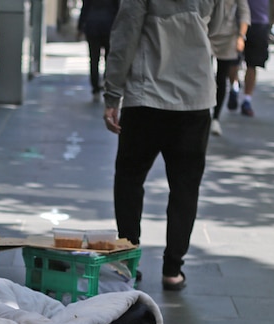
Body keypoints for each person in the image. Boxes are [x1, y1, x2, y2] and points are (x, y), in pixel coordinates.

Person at [102, 0, 225, 291]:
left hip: (146, 97)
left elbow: (126, 34)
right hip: (195, 98)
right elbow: (217, 29)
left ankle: (128, 261)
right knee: (185, 186)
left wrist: (112, 94)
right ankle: (173, 269)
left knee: (130, 178)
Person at [236, 0, 274, 116]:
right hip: (236, 23)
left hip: (259, 24)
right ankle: (234, 88)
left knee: (252, 64)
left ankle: (247, 99)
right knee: (232, 62)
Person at [210, 0, 251, 135]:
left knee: (221, 78)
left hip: (228, 36)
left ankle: (215, 118)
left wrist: (241, 37)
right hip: (205, 34)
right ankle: (203, 112)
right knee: (204, 76)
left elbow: (244, 12)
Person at [77, 0, 120, 102]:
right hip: (109, 26)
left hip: (92, 26)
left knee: (94, 59)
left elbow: (85, 8)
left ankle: (95, 87)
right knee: (109, 58)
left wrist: (80, 27)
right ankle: (106, 83)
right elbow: (118, 9)